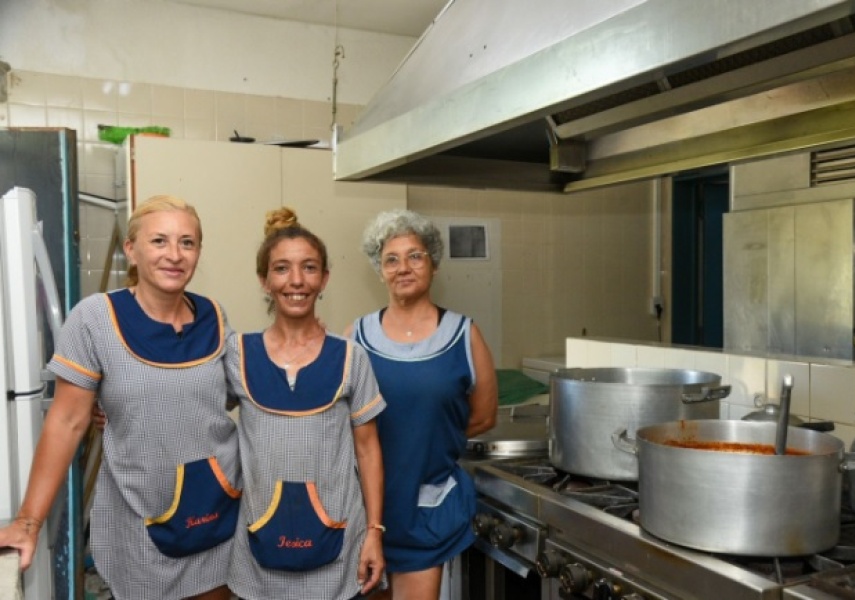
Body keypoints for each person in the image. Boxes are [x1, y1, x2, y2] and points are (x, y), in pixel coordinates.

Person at [0, 195, 240, 600]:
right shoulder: (96, 317)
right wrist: (28, 522)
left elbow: (232, 395)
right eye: (159, 241)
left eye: (187, 242)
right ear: (131, 249)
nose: (175, 255)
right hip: (138, 515)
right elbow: (66, 421)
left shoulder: (214, 315)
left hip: (213, 510)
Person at [224, 207, 386, 600]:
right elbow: (194, 409)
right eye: (281, 269)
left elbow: (368, 450)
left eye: (309, 268)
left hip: (339, 542)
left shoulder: (350, 357)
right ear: (264, 280)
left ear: (325, 278)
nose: (296, 281)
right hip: (258, 544)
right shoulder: (237, 354)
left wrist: (374, 533)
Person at [348, 209, 498, 600]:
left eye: (415, 256)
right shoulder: (356, 337)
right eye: (391, 259)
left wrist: (426, 436)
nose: (403, 267)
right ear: (378, 271)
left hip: (426, 511)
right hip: (364, 511)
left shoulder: (464, 335)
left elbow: (483, 415)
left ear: (433, 263)